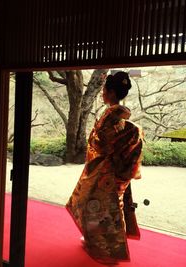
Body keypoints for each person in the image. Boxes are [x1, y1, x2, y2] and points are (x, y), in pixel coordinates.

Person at [66, 71, 143, 265]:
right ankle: (107, 244)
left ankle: (103, 248)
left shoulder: (110, 116)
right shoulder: (122, 116)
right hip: (118, 171)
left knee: (93, 207)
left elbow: (98, 143)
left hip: (104, 171)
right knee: (111, 209)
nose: (102, 93)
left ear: (109, 92)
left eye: (104, 90)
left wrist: (93, 140)